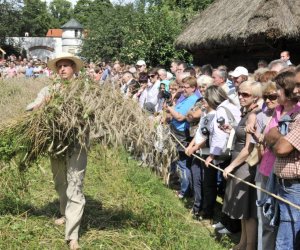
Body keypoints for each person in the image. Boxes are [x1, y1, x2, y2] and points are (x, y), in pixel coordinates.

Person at [26, 53, 86, 250]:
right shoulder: (48, 89)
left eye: (66, 66)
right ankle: (63, 212)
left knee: (75, 186)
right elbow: (32, 109)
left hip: (77, 145)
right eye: (59, 66)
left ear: (74, 69)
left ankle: (72, 236)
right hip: (56, 144)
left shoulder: (84, 90)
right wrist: (44, 103)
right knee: (60, 182)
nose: (62, 69)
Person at [221, 80, 262, 250]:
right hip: (239, 162)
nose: (240, 96)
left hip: (245, 165)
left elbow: (248, 149)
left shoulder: (254, 114)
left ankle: (249, 246)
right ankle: (243, 242)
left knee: (248, 208)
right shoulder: (247, 112)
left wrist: (231, 167)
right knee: (242, 207)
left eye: (245, 94)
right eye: (239, 93)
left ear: (256, 97)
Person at [265, 70, 300, 250]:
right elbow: (269, 135)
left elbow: (281, 148)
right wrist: (277, 137)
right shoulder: (292, 114)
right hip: (285, 184)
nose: (296, 91)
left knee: (286, 238)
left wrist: (276, 139)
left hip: (295, 186)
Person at [166, 76, 199, 199]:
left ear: (193, 88)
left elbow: (180, 117)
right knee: (176, 160)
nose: (183, 90)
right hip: (175, 131)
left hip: (181, 135)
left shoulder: (192, 100)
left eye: (186, 87)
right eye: (182, 87)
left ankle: (185, 191)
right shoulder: (185, 98)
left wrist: (169, 109)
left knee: (182, 163)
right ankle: (179, 185)